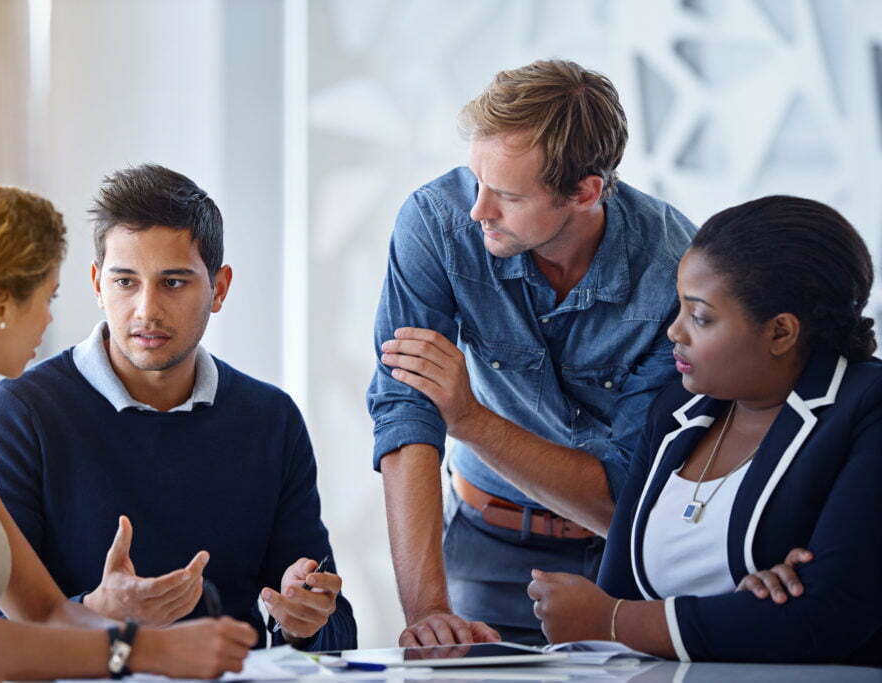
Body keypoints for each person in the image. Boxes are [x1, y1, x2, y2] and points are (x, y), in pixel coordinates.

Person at [0, 179, 258, 681]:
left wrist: (160, 639)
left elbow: (44, 611)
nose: (49, 321)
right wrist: (143, 652)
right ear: (2, 305)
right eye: (47, 297)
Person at [367, 59, 696, 645]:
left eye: (508, 196)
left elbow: (624, 499)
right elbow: (405, 409)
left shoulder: (674, 272)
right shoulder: (437, 222)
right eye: (477, 181)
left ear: (585, 192)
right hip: (482, 545)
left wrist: (469, 418)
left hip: (626, 563)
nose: (478, 211)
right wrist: (426, 613)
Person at [0, 164, 356, 650]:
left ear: (219, 288)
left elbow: (335, 627)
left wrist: (304, 623)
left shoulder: (270, 419)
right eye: (125, 282)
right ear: (97, 284)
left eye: (173, 282)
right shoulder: (20, 414)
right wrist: (97, 615)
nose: (146, 310)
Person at [529, 195, 882, 664]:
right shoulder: (677, 409)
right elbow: (619, 586)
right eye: (679, 308)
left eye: (700, 316)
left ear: (780, 332)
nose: (675, 331)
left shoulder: (865, 408)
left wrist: (616, 622)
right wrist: (736, 612)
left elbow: (828, 615)